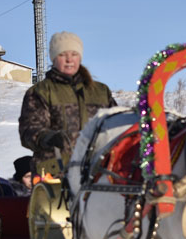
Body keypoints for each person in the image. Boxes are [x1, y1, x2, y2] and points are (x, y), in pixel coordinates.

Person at [19, 31, 117, 178]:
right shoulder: (41, 92)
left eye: (74, 54)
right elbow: (28, 130)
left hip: (97, 172)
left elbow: (116, 124)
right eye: (63, 55)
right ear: (53, 58)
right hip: (54, 173)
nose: (69, 60)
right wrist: (47, 137)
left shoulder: (101, 91)